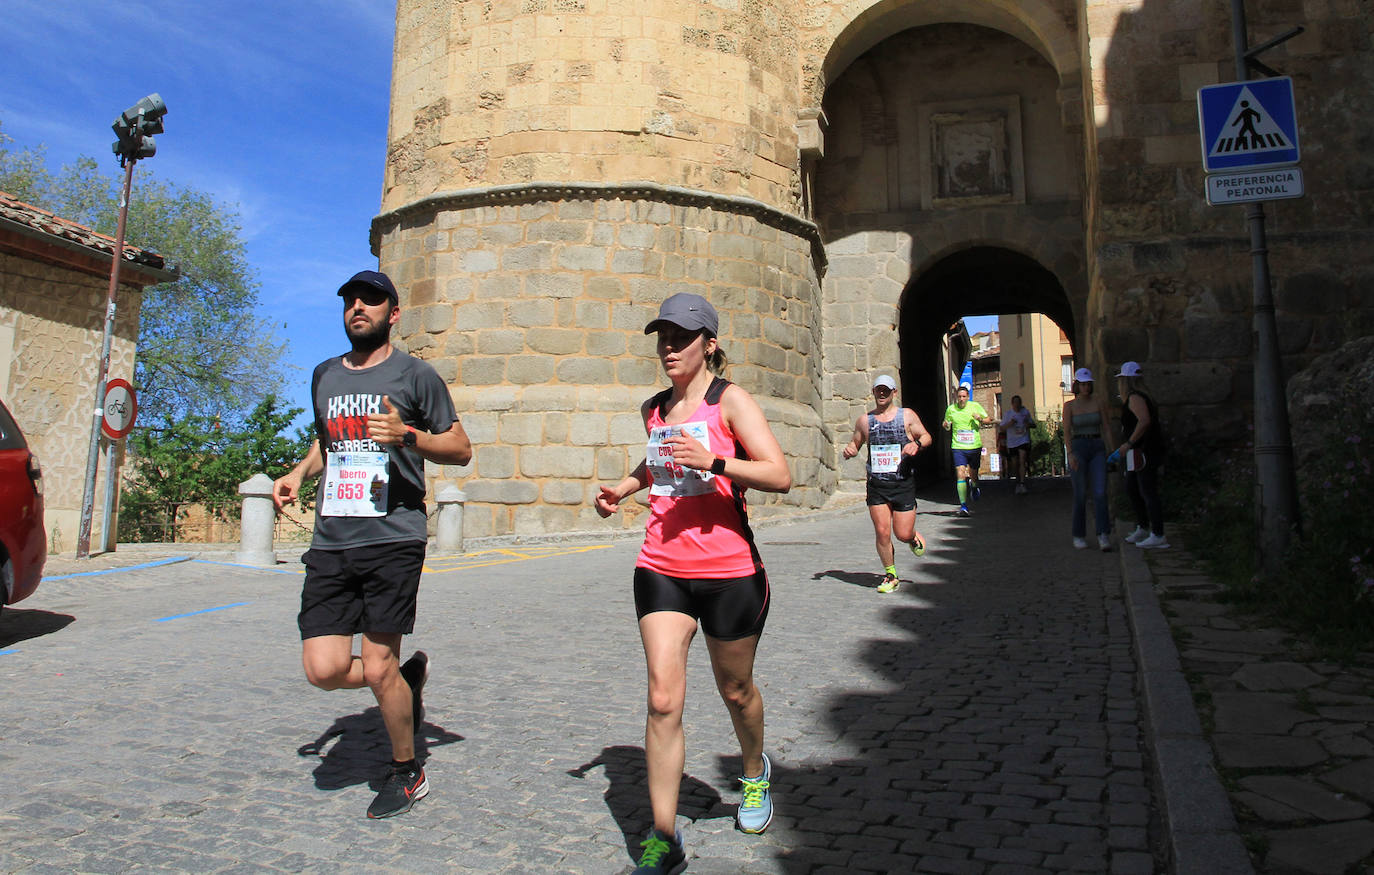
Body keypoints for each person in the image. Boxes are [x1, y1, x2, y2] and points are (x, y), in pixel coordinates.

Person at [594, 292, 792, 873]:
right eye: (663, 337)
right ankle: (662, 836)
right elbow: (656, 464)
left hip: (730, 572)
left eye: (681, 337)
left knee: (736, 692)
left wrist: (715, 463)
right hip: (662, 567)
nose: (669, 347)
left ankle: (754, 772)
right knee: (662, 700)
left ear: (709, 343)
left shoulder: (730, 402)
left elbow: (779, 474)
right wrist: (624, 489)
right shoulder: (654, 409)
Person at [272, 269, 473, 819]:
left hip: (393, 536)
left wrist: (407, 435)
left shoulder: (416, 375)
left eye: (372, 300)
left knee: (379, 663)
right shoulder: (324, 375)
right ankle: (403, 687)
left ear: (394, 312)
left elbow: (460, 447)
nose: (358, 307)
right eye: (351, 301)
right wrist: (297, 473)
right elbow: (325, 443)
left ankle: (407, 772)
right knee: (324, 668)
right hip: (333, 538)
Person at [841, 374, 932, 593]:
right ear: (873, 392)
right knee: (882, 531)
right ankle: (890, 575)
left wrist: (917, 444)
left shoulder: (907, 416)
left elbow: (927, 436)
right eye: (878, 390)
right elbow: (856, 443)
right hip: (877, 485)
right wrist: (850, 450)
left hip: (902, 483)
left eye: (886, 390)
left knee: (901, 533)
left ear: (894, 393)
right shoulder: (865, 421)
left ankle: (911, 537)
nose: (881, 393)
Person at [1109, 362, 1169, 549]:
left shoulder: (1135, 398)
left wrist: (1128, 444)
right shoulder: (1143, 397)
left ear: (1125, 381)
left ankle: (1158, 533)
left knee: (1147, 491)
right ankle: (1143, 526)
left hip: (1143, 451)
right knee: (1133, 489)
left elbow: (1143, 421)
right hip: (1139, 452)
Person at [1062, 367, 1112, 551]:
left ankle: (1103, 533)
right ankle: (1079, 534)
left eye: (1088, 384)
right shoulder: (1070, 406)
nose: (1085, 388)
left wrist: (1111, 449)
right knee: (1080, 494)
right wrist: (1070, 453)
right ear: (1077, 385)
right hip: (1079, 447)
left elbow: (1106, 427)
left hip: (1097, 445)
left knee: (1100, 492)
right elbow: (1067, 431)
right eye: (1082, 384)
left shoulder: (1098, 402)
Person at [942, 383, 989, 516]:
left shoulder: (975, 406)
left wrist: (980, 418)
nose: (961, 399)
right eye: (959, 397)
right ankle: (963, 505)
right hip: (958, 447)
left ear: (968, 397)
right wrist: (945, 425)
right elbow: (946, 425)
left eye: (964, 396)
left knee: (973, 474)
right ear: (956, 398)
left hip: (974, 446)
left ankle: (974, 486)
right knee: (960, 473)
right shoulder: (951, 409)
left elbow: (988, 419)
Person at [999, 395, 1036, 494]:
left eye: (1019, 402)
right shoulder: (1008, 414)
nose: (1017, 405)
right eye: (1015, 403)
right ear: (1012, 404)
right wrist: (1010, 423)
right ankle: (1018, 481)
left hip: (1023, 440)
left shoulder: (1025, 413)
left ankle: (1022, 483)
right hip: (1012, 442)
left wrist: (1028, 424)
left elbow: (1033, 424)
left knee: (1022, 460)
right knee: (1015, 463)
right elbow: (1001, 428)